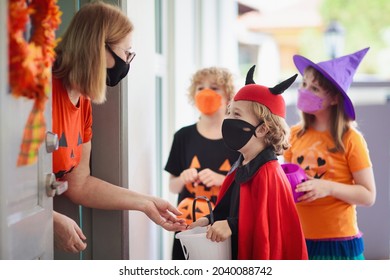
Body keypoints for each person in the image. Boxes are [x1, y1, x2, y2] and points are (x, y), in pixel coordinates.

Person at [52, 1, 186, 253]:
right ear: (98, 47)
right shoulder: (43, 89)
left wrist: (146, 203)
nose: (127, 61)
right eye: (126, 52)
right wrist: (50, 220)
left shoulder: (83, 103)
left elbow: (79, 185)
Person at [189, 66, 308, 260]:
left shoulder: (268, 173)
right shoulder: (242, 164)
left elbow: (267, 224)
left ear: (262, 129)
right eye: (230, 112)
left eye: (237, 115)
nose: (228, 120)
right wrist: (208, 220)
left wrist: (232, 225)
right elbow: (231, 207)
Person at [284, 47, 376, 259]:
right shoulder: (293, 134)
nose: (305, 91)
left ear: (335, 99)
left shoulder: (351, 140)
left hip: (339, 242)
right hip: (300, 239)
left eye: (315, 89)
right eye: (304, 85)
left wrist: (327, 187)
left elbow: (368, 195)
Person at [164, 66, 240, 260]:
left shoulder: (238, 139)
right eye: (200, 88)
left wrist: (222, 180)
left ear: (229, 96)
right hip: (188, 226)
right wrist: (182, 177)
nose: (206, 92)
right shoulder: (183, 136)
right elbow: (172, 187)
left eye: (215, 88)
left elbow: (245, 188)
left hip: (223, 229)